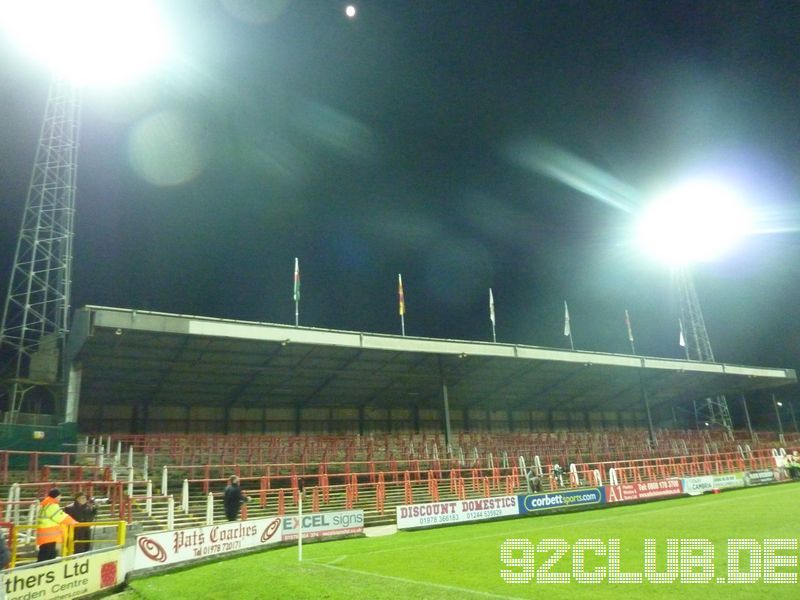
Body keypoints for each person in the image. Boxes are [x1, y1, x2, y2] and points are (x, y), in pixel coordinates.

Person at [36, 488, 77, 562]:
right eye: (60, 496)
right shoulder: (52, 506)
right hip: (49, 536)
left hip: (45, 536)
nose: (60, 498)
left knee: (45, 555)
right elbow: (61, 517)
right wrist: (74, 523)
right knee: (47, 556)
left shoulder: (46, 504)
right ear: (56, 496)